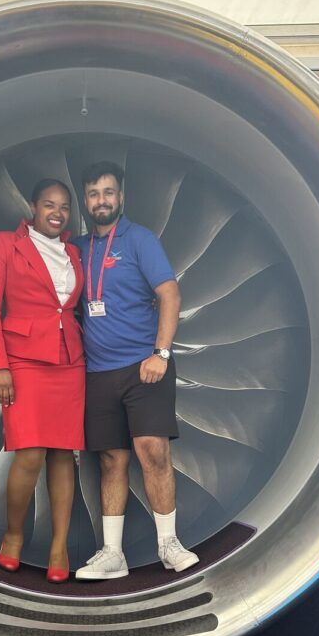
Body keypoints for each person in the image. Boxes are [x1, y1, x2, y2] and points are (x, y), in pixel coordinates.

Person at [72, 161, 199, 579]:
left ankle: (169, 545)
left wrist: (161, 354)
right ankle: (113, 554)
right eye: (94, 193)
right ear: (85, 199)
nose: (101, 200)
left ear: (120, 197)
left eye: (108, 192)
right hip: (98, 373)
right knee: (111, 460)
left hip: (144, 366)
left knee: (153, 451)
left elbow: (170, 293)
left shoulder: (140, 239)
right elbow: (38, 274)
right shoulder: (77, 248)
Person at [0, 179, 85, 582]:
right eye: (49, 205)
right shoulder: (4, 244)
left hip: (69, 361)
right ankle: (14, 535)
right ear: (33, 207)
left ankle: (59, 546)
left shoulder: (74, 252)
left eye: (64, 207)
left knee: (62, 454)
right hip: (22, 359)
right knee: (29, 453)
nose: (57, 213)